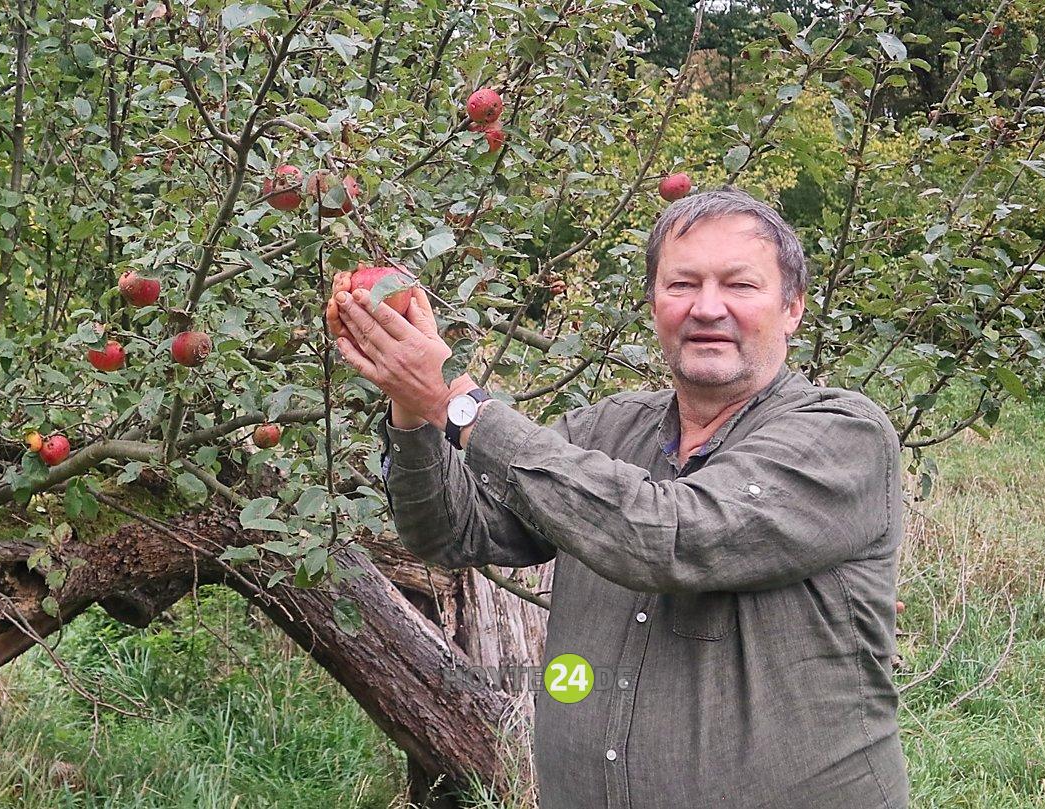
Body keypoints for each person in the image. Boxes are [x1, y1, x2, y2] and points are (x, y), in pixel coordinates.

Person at [326, 186, 909, 809]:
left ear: (791, 308)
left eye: (740, 286)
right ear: (655, 303)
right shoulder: (606, 430)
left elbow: (670, 538)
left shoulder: (843, 435)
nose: (707, 308)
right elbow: (453, 532)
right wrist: (413, 408)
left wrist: (458, 405)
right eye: (682, 285)